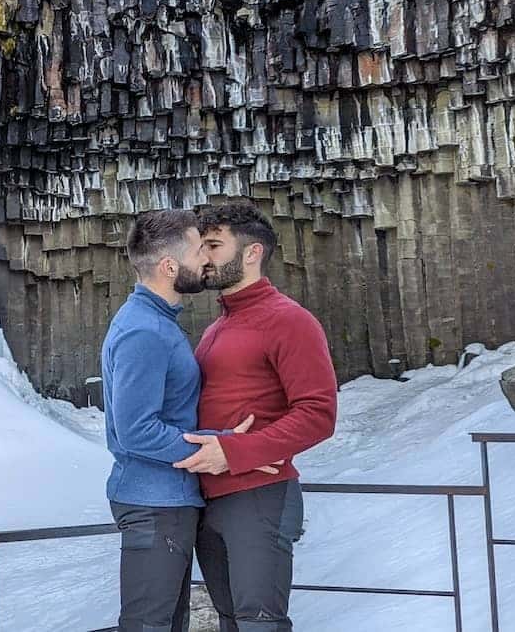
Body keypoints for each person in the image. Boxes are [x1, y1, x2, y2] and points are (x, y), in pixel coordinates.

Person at [174, 203, 339, 632]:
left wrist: (237, 451)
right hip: (210, 500)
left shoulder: (289, 320)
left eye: (213, 245)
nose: (203, 257)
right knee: (231, 622)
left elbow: (319, 414)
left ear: (252, 253)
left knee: (260, 623)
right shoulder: (216, 329)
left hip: (260, 496)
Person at [102, 210, 265, 632]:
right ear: (169, 266)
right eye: (198, 252)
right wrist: (221, 446)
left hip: (169, 500)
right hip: (154, 502)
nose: (206, 261)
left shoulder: (157, 323)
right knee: (149, 624)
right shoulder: (145, 331)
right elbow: (135, 429)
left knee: (167, 623)